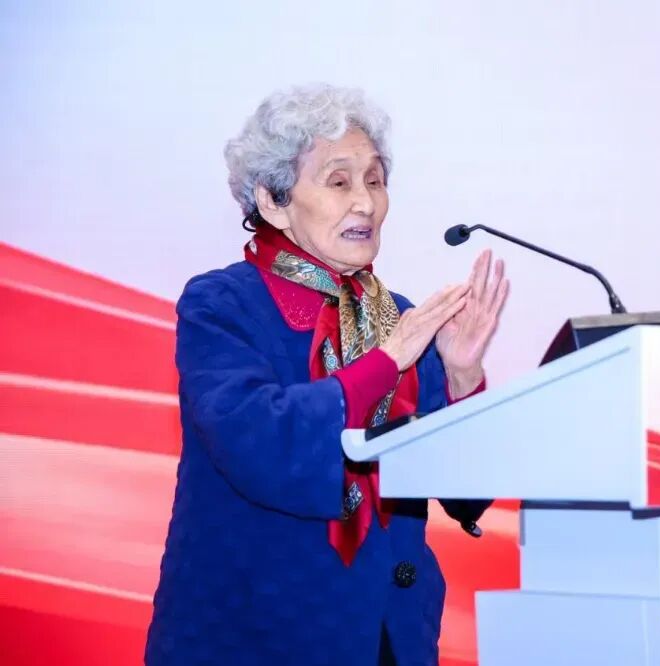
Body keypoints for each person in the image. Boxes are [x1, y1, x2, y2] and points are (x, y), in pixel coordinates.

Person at [144, 84, 509, 666]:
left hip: (390, 636)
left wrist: (465, 377)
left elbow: (467, 497)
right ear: (273, 201)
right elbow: (263, 441)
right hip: (252, 638)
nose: (365, 202)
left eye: (375, 180)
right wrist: (387, 361)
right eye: (339, 182)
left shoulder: (401, 318)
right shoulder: (223, 304)